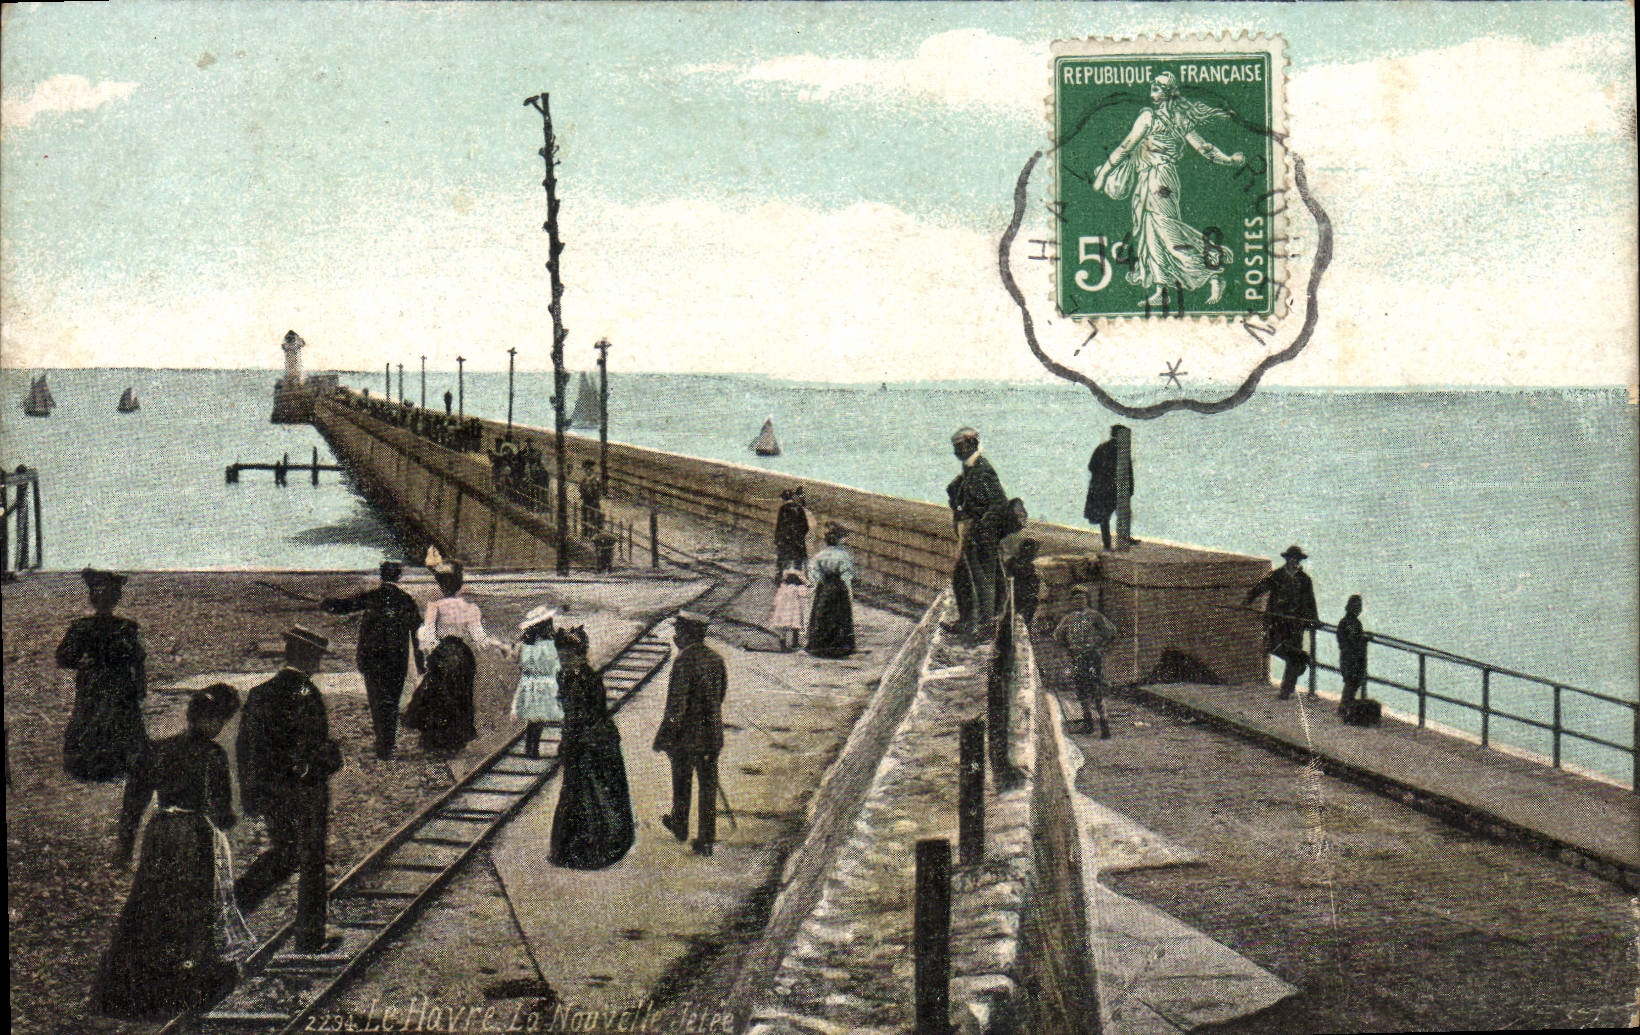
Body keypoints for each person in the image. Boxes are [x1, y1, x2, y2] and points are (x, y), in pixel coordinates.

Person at [95, 684, 252, 1019]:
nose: (219, 727)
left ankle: (130, 986)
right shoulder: (213, 755)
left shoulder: (159, 749)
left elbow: (134, 800)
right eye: (219, 720)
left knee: (151, 899)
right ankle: (188, 984)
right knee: (195, 903)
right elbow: (222, 811)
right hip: (193, 836)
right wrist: (226, 819)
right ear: (213, 720)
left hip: (161, 833)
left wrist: (125, 845)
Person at [1091, 70, 1246, 308]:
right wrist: (1229, 160)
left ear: (1166, 93)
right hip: (1156, 179)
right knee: (1150, 232)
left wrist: (1102, 175)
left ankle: (1212, 275)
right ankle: (1161, 288)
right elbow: (1205, 149)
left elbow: (1125, 147)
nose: (1152, 89)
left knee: (1165, 231)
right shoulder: (1175, 119)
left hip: (1158, 180)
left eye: (1157, 86)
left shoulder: (1149, 118)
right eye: (1153, 85)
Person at [235, 626, 343, 953]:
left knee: (283, 855)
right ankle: (310, 938)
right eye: (317, 658)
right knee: (310, 860)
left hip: (272, 793)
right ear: (308, 658)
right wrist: (330, 758)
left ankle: (229, 909)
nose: (319, 665)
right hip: (306, 794)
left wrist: (252, 795)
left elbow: (245, 749)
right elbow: (314, 750)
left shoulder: (259, 693)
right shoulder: (307, 695)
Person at [550, 626, 636, 870]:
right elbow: (571, 716)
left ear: (580, 655)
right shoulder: (567, 677)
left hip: (595, 744)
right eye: (560, 656)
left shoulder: (586, 678)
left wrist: (570, 741)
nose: (563, 661)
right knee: (577, 794)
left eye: (567, 656)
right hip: (580, 742)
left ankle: (595, 849)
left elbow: (585, 716)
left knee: (596, 794)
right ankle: (571, 848)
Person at [320, 560, 425, 759]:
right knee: (392, 701)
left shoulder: (372, 596)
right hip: (397, 660)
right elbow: (418, 632)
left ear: (382, 575)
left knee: (377, 701)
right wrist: (420, 663)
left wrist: (327, 604)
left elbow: (345, 606)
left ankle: (381, 742)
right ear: (398, 577)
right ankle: (388, 743)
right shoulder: (406, 600)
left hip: (372, 660)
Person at [58, 568, 151, 785]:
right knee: (92, 722)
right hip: (93, 686)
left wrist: (140, 687)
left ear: (116, 599)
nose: (104, 601)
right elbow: (63, 656)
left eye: (109, 596)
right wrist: (81, 662)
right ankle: (89, 768)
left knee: (120, 724)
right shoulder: (81, 627)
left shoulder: (127, 627)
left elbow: (138, 659)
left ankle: (119, 766)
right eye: (99, 596)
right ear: (93, 599)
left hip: (119, 687)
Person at [405, 561, 505, 752]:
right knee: (461, 695)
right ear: (459, 585)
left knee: (437, 696)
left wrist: (430, 656)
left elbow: (428, 636)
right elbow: (480, 638)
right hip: (462, 656)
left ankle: (435, 740)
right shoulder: (470, 608)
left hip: (443, 654)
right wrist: (499, 645)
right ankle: (456, 740)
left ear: (442, 586)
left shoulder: (435, 606)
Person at [654, 612, 726, 858]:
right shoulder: (716, 659)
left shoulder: (683, 661)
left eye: (678, 632)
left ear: (686, 634)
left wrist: (664, 736)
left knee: (682, 782)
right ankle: (706, 839)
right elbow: (720, 695)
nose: (675, 636)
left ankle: (680, 824)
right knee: (708, 786)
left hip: (687, 737)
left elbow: (676, 705)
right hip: (712, 735)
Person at [945, 427, 1011, 638]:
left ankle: (984, 626)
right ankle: (968, 621)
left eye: (959, 446)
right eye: (954, 447)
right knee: (964, 576)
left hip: (982, 537)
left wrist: (982, 527)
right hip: (971, 535)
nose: (955, 451)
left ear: (971, 444)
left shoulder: (983, 469)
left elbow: (999, 503)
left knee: (984, 580)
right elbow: (958, 491)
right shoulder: (970, 468)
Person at [1244, 545, 1320, 699]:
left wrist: (1314, 619)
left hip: (1296, 624)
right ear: (1287, 559)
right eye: (1292, 558)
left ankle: (1286, 689)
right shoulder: (1277, 576)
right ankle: (1301, 662)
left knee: (1293, 655)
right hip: (1278, 623)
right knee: (1282, 650)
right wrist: (1247, 601)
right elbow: (1261, 587)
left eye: (1297, 559)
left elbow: (1310, 601)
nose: (1294, 561)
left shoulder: (1304, 580)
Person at [1053, 586, 1119, 738]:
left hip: (1092, 656)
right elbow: (1057, 635)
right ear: (1071, 602)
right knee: (1081, 689)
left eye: (1082, 598)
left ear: (1087, 600)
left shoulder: (1094, 616)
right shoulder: (1068, 619)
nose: (1079, 601)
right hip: (1076, 657)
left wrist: (1101, 648)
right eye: (1076, 599)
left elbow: (1111, 632)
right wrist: (1067, 649)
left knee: (1096, 688)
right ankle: (1088, 723)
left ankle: (1104, 725)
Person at [512, 606, 562, 759]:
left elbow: (518, 660)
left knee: (534, 718)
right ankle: (532, 747)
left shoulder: (524, 643)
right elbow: (556, 664)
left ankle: (530, 747)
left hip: (529, 682)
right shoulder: (550, 643)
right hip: (544, 682)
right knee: (539, 717)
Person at [805, 524, 857, 658]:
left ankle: (819, 646)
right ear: (840, 539)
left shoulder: (820, 555)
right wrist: (849, 592)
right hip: (839, 588)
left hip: (824, 588)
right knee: (839, 616)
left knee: (822, 615)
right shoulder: (844, 556)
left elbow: (814, 574)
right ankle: (839, 647)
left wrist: (818, 585)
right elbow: (847, 576)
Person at [1084, 426, 1136, 552]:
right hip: (1117, 489)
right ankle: (1124, 538)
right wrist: (1130, 489)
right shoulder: (1122, 451)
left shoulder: (1102, 448)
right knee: (1122, 513)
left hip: (1102, 488)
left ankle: (1108, 545)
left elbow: (1091, 466)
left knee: (1104, 518)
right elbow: (1128, 472)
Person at [1337, 594, 1369, 711]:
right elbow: (1353, 641)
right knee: (1352, 683)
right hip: (1352, 659)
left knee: (1351, 683)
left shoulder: (1345, 622)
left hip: (1348, 658)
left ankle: (1345, 705)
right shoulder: (1353, 623)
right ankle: (1345, 706)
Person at [770, 568, 810, 652]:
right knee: (795, 626)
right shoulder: (798, 587)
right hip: (794, 610)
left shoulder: (783, 587)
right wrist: (804, 582)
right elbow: (805, 593)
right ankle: (794, 643)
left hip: (783, 610)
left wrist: (776, 607)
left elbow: (777, 600)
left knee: (783, 627)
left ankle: (783, 644)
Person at [1005, 537, 1042, 628]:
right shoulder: (1021, 565)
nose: (1034, 554)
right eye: (1033, 551)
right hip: (1017, 599)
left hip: (1018, 598)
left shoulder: (1011, 562)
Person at [773, 486, 810, 574]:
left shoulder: (783, 509)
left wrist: (778, 540)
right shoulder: (799, 508)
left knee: (782, 563)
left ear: (783, 498)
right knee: (798, 563)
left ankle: (780, 580)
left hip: (785, 541)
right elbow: (806, 527)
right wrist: (800, 537)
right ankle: (798, 580)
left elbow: (780, 526)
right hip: (798, 541)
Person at [579, 459, 603, 536]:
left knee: (593, 520)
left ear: (591, 470)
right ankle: (585, 534)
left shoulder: (595, 481)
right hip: (586, 502)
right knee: (585, 518)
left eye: (589, 470)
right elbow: (581, 489)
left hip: (593, 503)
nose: (587, 471)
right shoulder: (584, 480)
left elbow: (598, 493)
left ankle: (593, 535)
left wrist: (595, 499)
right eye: (585, 470)